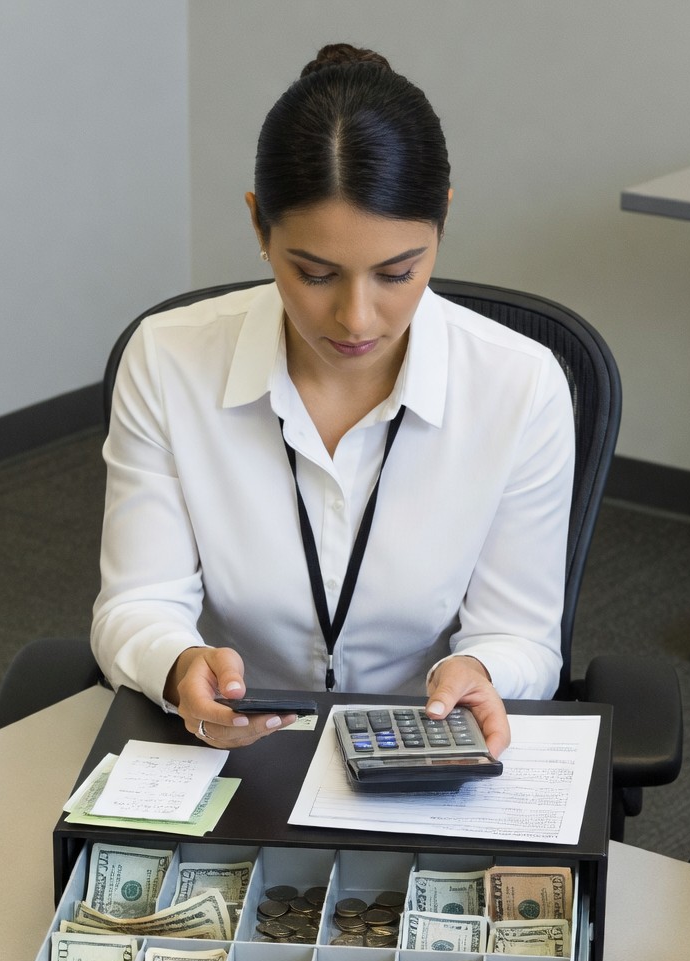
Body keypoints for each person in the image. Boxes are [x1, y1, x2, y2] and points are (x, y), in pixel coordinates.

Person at [92, 43, 574, 757]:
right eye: (315, 274)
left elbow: (522, 637)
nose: (356, 319)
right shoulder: (168, 360)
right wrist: (178, 666)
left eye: (397, 273)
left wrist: (481, 671)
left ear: (441, 218)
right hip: (233, 748)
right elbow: (136, 604)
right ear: (259, 226)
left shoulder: (519, 385)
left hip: (426, 749)